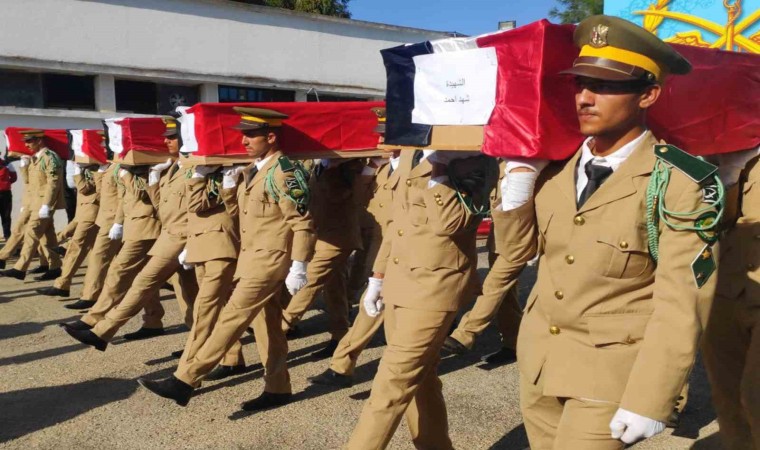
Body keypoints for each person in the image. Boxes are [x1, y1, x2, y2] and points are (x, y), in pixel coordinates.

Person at [499, 15, 722, 449]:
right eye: (580, 83)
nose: (584, 97)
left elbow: (683, 298)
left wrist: (651, 397)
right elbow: (514, 253)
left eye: (604, 85)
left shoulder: (678, 179)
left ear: (648, 94)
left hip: (612, 372)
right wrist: (516, 188)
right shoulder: (554, 171)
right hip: (541, 363)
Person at [137, 107, 316, 412]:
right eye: (243, 134)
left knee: (230, 318)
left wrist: (299, 265)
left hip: (270, 260)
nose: (244, 140)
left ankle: (185, 380)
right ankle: (278, 387)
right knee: (269, 326)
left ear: (271, 137)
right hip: (251, 257)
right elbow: (238, 216)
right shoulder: (253, 169)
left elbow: (303, 223)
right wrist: (231, 188)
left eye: (251, 135)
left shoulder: (286, 171)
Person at [346, 150, 493, 449]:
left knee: (391, 382)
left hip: (435, 286)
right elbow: (396, 223)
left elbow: (450, 223)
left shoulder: (474, 159)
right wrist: (378, 276)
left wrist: (441, 169)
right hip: (400, 281)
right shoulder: (413, 154)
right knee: (421, 379)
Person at [63, 118, 198, 348]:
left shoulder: (187, 167)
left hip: (161, 231)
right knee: (183, 289)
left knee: (132, 277)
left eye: (173, 137)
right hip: (162, 233)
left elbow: (184, 207)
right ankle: (163, 327)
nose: (167, 141)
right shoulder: (166, 166)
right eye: (165, 137)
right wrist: (120, 219)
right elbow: (137, 200)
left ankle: (97, 324)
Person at [703, 147, 760, 450]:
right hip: (724, 289)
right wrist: (728, 175)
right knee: (730, 403)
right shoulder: (707, 144)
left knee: (756, 396)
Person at [280, 156, 364, 357]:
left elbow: (343, 195)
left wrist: (333, 169)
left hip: (338, 237)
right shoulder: (313, 164)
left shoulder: (351, 166)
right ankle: (340, 336)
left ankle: (282, 326)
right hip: (320, 234)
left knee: (311, 280)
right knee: (334, 289)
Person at [442, 159, 523, 365]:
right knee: (506, 295)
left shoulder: (532, 160)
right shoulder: (497, 161)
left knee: (495, 285)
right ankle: (514, 344)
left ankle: (467, 333)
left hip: (520, 237)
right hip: (500, 236)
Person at [0, 130, 64, 280]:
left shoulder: (50, 157)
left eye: (29, 141)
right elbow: (29, 182)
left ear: (39, 140)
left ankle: (20, 268)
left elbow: (53, 184)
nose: (26, 144)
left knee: (32, 232)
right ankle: (55, 266)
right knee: (47, 236)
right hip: (33, 201)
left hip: (44, 203)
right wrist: (24, 166)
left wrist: (47, 205)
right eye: (25, 141)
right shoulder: (34, 158)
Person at [64, 162, 123, 310]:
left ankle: (91, 296)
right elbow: (99, 191)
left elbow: (123, 197)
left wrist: (119, 222)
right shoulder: (105, 168)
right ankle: (90, 295)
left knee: (98, 255)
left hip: (114, 219)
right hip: (104, 218)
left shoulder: (120, 167)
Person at [37, 163, 100, 296]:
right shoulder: (90, 168)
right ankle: (84, 293)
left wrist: (78, 172)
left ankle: (66, 286)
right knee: (93, 255)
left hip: (94, 212)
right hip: (85, 210)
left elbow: (83, 188)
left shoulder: (100, 169)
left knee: (78, 250)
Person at [0, 155, 18, 240]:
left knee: (6, 216)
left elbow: (14, 177)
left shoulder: (7, 164)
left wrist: (6, 184)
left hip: (5, 194)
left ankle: (7, 235)